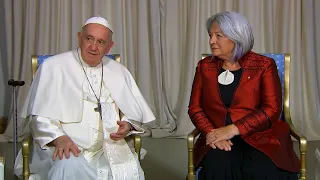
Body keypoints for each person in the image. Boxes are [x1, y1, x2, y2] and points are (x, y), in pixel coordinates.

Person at [14, 16, 155, 180]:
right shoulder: (53, 67)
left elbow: (133, 111)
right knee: (68, 166)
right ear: (80, 37)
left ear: (109, 47)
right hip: (66, 147)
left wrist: (128, 125)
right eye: (89, 39)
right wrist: (58, 138)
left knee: (128, 170)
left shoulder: (119, 71)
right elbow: (38, 117)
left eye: (101, 42)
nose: (93, 47)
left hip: (108, 148)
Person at [188, 11, 300, 180]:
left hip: (260, 136)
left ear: (237, 36)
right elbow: (195, 108)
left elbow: (271, 109)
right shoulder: (205, 66)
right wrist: (213, 133)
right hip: (218, 136)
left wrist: (233, 129)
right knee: (217, 169)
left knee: (262, 171)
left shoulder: (264, 65)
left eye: (218, 35)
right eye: (210, 35)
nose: (211, 41)